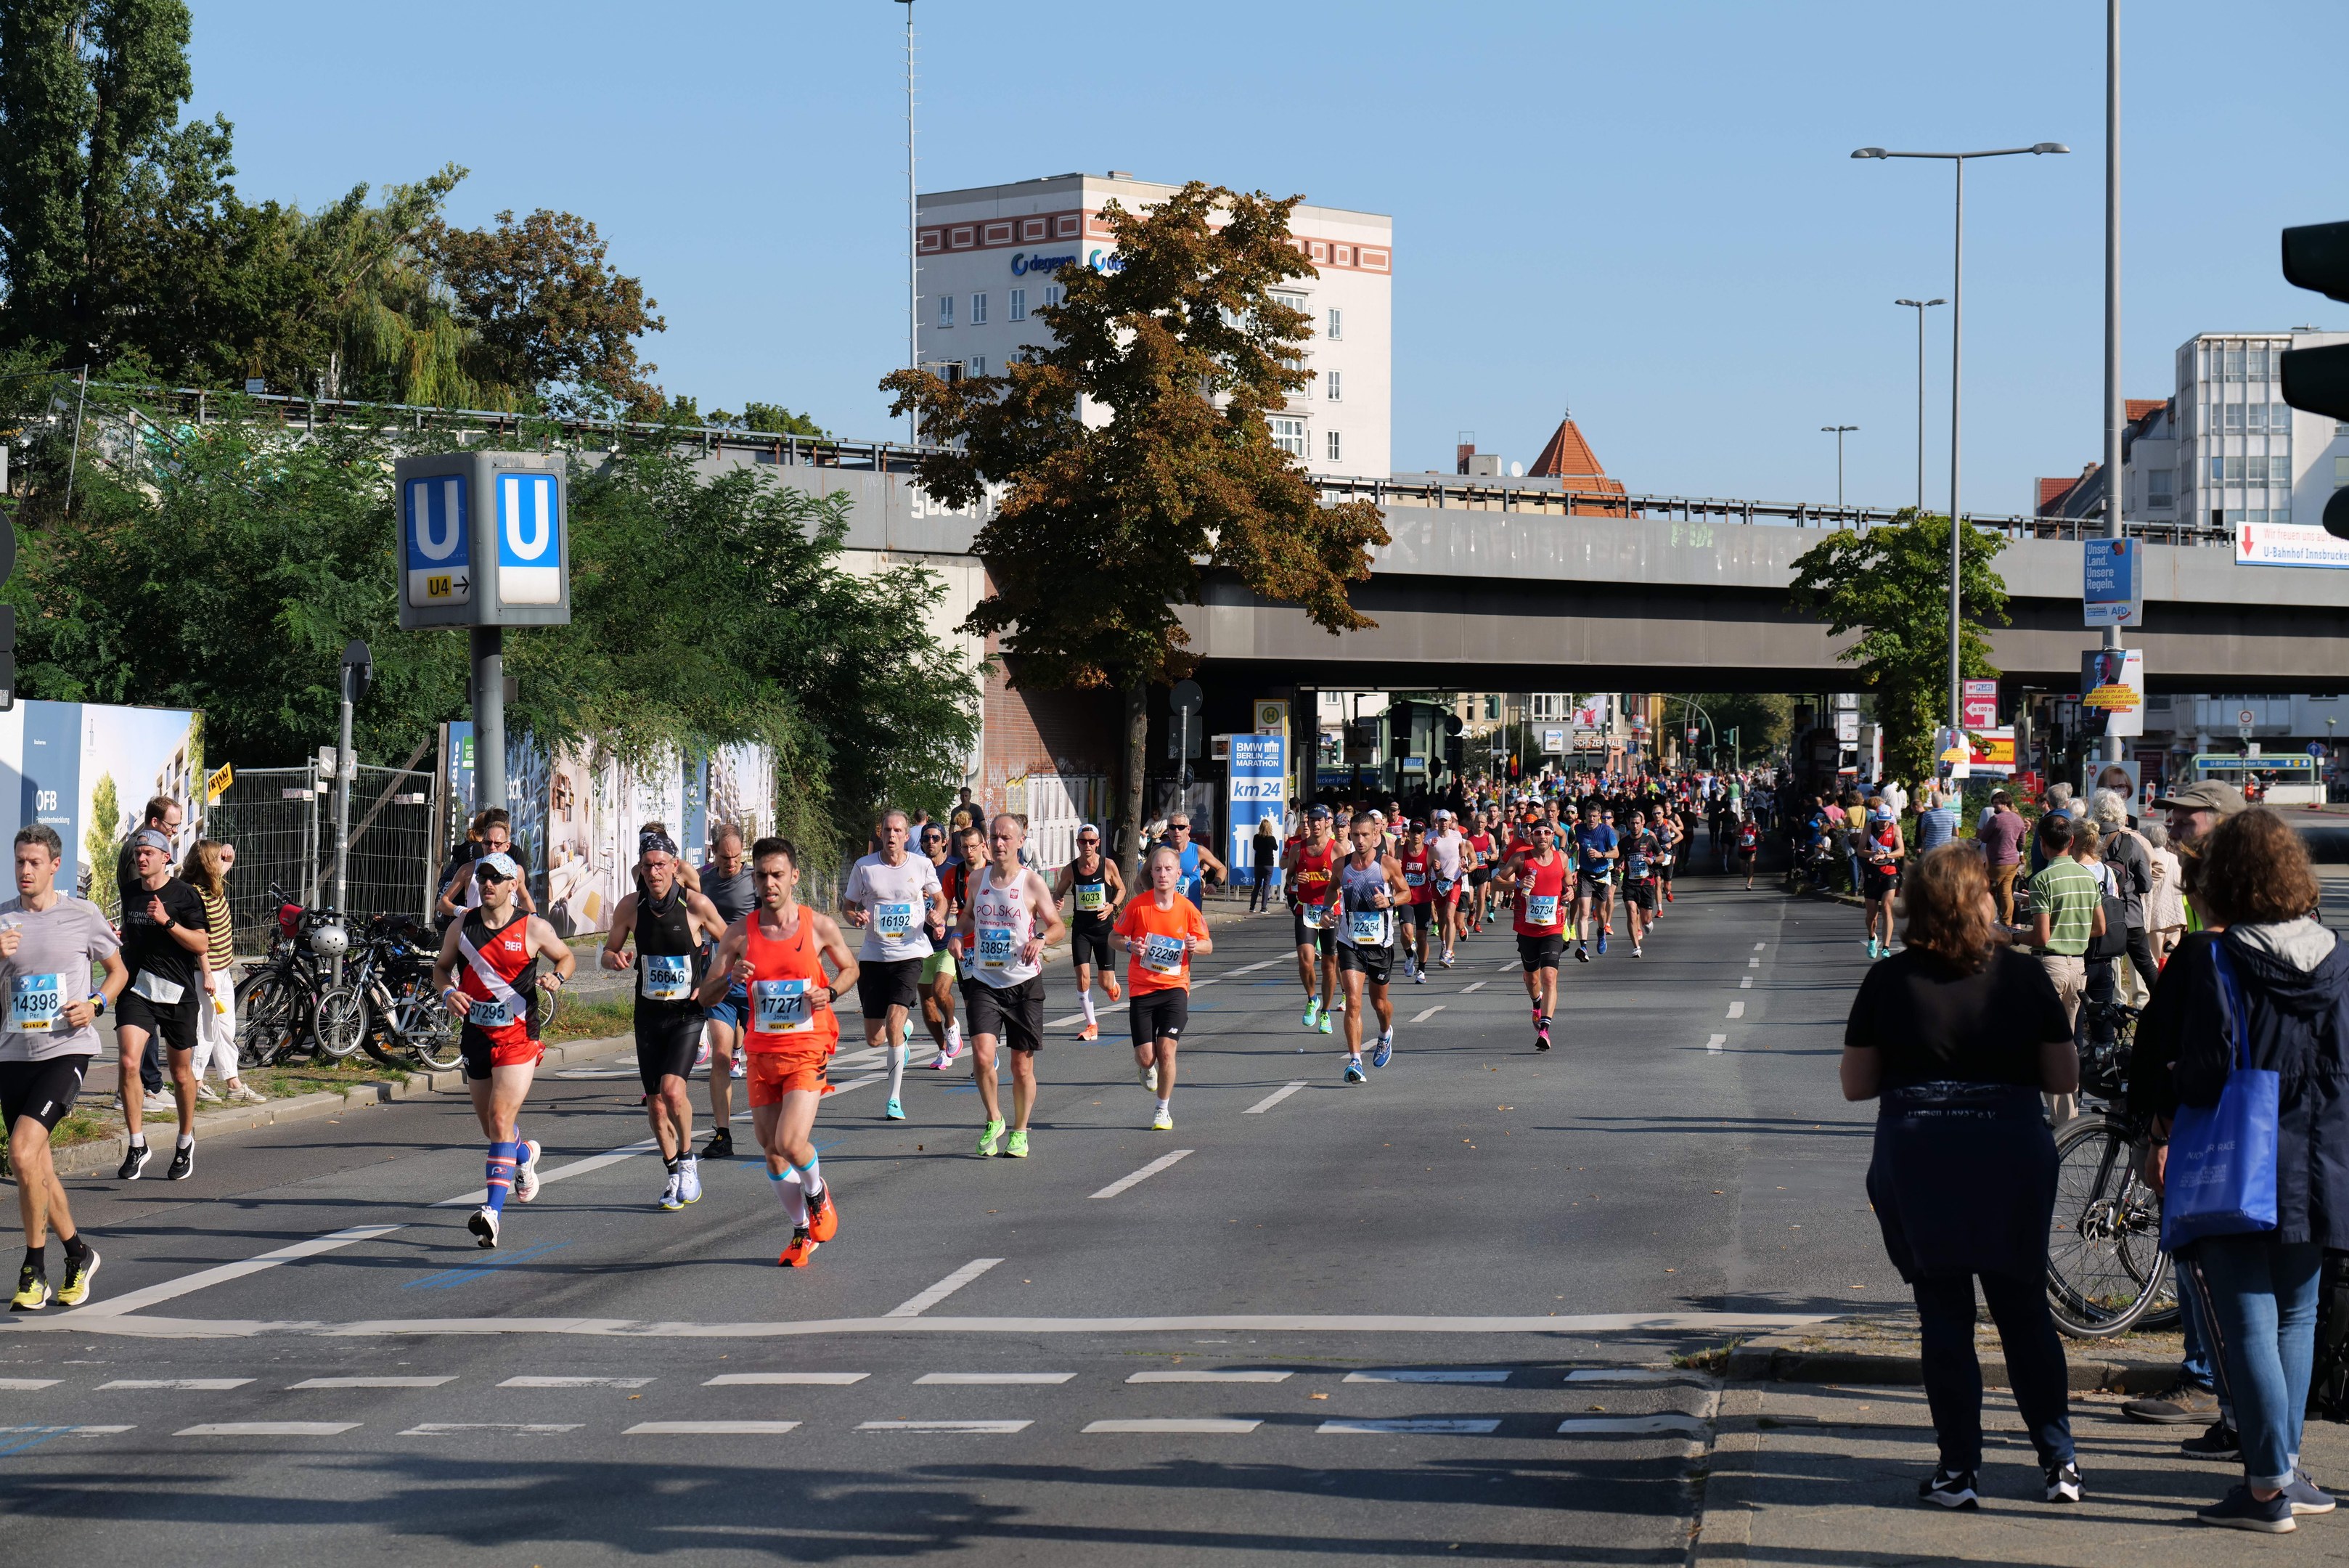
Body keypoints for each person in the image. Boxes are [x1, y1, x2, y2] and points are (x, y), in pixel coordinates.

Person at [1842, 841, 2082, 1510]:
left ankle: (1958, 1471)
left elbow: (1856, 1086)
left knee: (1944, 1317)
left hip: (1922, 1159)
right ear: (1978, 901)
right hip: (2009, 1153)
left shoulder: (1890, 981)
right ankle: (2059, 1462)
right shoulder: (2023, 977)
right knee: (2024, 1312)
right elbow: (2064, 1078)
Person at [2138, 809, 2349, 1532]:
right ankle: (2287, 1471)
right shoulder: (2337, 955)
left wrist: (2163, 1096)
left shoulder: (2213, 959)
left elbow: (2200, 1075)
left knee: (2247, 1321)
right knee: (2295, 1317)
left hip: (2240, 1158)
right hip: (2322, 1157)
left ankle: (2264, 1490)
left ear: (2222, 880)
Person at [697, 836, 857, 1268]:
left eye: (778, 875)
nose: (770, 883)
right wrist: (730, 976)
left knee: (790, 1141)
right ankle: (802, 1231)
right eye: (762, 876)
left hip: (807, 1048)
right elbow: (706, 995)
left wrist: (831, 991)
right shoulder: (739, 933)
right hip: (761, 1051)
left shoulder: (817, 926)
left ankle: (818, 1193)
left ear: (794, 878)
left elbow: (850, 968)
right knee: (770, 1150)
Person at [3, 824, 127, 1310]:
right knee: (35, 1164)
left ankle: (33, 1269)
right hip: (13, 1054)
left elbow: (119, 971)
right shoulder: (2, 921)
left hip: (67, 1051)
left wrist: (95, 1004)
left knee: (21, 1150)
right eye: (19, 862)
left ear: (55, 866)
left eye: (34, 862)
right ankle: (78, 1253)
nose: (25, 871)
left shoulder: (82, 916)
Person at [431, 851, 573, 1248]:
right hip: (476, 1034)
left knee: (499, 1115)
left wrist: (557, 977)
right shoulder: (462, 925)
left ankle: (492, 1212)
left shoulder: (532, 927)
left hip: (518, 1038)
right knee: (492, 1128)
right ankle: (523, 1153)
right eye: (483, 878)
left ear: (514, 885)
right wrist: (448, 993)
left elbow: (565, 956)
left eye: (497, 878)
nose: (488, 884)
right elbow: (441, 969)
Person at [601, 831, 728, 1210]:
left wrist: (709, 982)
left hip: (688, 1013)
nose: (654, 872)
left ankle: (688, 1163)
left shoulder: (697, 906)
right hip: (648, 1014)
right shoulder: (630, 907)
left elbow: (733, 945)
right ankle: (673, 1173)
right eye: (648, 866)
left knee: (674, 1092)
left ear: (675, 867)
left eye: (661, 865)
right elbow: (608, 951)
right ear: (640, 870)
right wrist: (616, 959)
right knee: (656, 1105)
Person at [960, 814, 1066, 1159]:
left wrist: (1041, 939)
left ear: (1021, 842)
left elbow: (1057, 927)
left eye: (1006, 838)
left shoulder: (1032, 883)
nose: (999, 843)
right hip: (984, 982)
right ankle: (994, 1118)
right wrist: (958, 935)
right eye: (994, 837)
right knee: (981, 1056)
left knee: (1021, 1065)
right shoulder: (977, 879)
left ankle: (1020, 1130)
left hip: (1023, 984)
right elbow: (968, 915)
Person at [113, 828, 211, 1181]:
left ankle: (185, 1140)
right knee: (127, 1061)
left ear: (165, 857)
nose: (141, 858)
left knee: (181, 1074)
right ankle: (137, 1143)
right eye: (138, 853)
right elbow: (130, 935)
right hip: (137, 989)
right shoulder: (129, 892)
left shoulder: (185, 895)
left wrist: (167, 922)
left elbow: (201, 944)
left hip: (177, 993)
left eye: (148, 853)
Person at [839, 809, 946, 1122]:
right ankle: (905, 1031)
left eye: (899, 830)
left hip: (910, 953)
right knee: (875, 1038)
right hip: (874, 955)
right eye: (888, 830)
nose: (893, 835)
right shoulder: (864, 867)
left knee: (894, 1025)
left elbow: (939, 900)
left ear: (906, 836)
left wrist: (937, 915)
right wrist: (854, 917)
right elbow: (847, 906)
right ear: (881, 833)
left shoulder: (921, 865)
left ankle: (894, 1099)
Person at [1114, 845, 1212, 1131]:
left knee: (1167, 1051)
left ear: (1178, 874)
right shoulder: (1138, 906)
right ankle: (1145, 1068)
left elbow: (1207, 944)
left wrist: (1197, 945)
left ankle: (1162, 1109)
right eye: (1157, 869)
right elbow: (1114, 937)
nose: (1162, 874)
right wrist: (1131, 945)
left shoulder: (1188, 909)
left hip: (1175, 987)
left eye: (1168, 869)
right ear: (1151, 873)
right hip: (1142, 989)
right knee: (1147, 1056)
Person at [2019, 814, 2103, 1127]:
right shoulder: (2087, 877)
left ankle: (2061, 1119)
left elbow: (2040, 936)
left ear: (2041, 844)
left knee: (2045, 1045)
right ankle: (2069, 1114)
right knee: (2066, 1043)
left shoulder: (2041, 880)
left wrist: (2013, 935)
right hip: (2078, 967)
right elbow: (2100, 927)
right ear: (2071, 841)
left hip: (2050, 966)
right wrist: (2074, 930)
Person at [1321, 810, 1409, 1083]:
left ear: (1375, 836)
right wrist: (1326, 910)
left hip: (1380, 945)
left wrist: (1391, 901)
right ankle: (1355, 1060)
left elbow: (1407, 892)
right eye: (1355, 834)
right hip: (1350, 943)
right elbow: (1332, 889)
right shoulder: (1341, 865)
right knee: (1354, 1003)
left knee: (1379, 1004)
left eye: (1365, 835)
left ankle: (1385, 1033)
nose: (1360, 840)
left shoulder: (1388, 864)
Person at [179, 839, 264, 1107]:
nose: (223, 865)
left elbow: (226, 863)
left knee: (225, 1027)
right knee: (206, 1028)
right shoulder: (195, 895)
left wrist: (227, 851)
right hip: (206, 973)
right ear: (206, 864)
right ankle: (198, 1082)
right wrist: (207, 974)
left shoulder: (212, 886)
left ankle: (232, 1083)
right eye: (217, 860)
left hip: (223, 970)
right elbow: (198, 939)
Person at [697, 825, 757, 1159]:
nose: (731, 862)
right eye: (724, 856)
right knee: (720, 1057)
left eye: (736, 856)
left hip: (756, 982)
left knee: (764, 1058)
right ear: (714, 852)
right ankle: (723, 1134)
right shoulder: (704, 882)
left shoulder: (755, 880)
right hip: (720, 979)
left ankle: (779, 1126)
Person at [1494, 814, 1570, 1050]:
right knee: (1532, 979)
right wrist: (1517, 884)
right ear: (1532, 835)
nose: (1543, 837)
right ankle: (1536, 1002)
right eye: (1538, 833)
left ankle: (1545, 1029)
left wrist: (1570, 892)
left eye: (1547, 833)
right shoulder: (1521, 859)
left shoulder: (1562, 858)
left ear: (1552, 836)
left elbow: (1568, 882)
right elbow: (1496, 882)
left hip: (1553, 928)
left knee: (1549, 977)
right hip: (1527, 929)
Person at [1052, 824, 1124, 1042]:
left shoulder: (1108, 865)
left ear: (1098, 843)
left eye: (1092, 841)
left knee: (1105, 983)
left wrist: (1112, 905)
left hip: (1104, 931)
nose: (1088, 845)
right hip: (1082, 930)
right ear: (1077, 843)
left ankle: (1112, 985)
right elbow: (1058, 892)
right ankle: (1092, 1025)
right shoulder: (1071, 869)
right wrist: (1057, 900)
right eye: (1083, 841)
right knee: (1083, 979)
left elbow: (1121, 889)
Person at [2090, 789, 2158, 1006]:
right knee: (2146, 965)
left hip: (2095, 916)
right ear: (2121, 813)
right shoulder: (2131, 842)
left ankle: (2102, 1020)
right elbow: (2146, 884)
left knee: (2098, 968)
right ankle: (2166, 1007)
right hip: (2129, 916)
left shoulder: (2086, 842)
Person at [1284, 806, 1340, 1035]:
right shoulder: (1298, 849)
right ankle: (1312, 998)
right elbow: (1288, 878)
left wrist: (1333, 879)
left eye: (1319, 820)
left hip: (1330, 912)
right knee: (1305, 959)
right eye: (1312, 820)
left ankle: (1325, 1012)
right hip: (1306, 909)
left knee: (1329, 965)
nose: (1315, 824)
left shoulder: (1337, 849)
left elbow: (1347, 883)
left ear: (1328, 822)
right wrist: (1296, 877)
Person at [917, 822, 968, 1068]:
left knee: (940, 991)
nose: (930, 842)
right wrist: (917, 895)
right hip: (921, 943)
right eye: (926, 838)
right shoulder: (915, 869)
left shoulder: (957, 867)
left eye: (935, 838)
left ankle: (951, 1024)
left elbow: (973, 897)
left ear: (945, 841)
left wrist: (960, 905)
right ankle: (943, 1051)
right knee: (927, 1002)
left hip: (949, 942)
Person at [438, 809, 537, 919]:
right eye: (488, 843)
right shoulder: (468, 870)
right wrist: (463, 911)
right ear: (482, 844)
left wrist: (535, 918)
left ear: (507, 846)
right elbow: (442, 903)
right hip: (476, 931)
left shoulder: (516, 870)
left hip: (507, 932)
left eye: (498, 844)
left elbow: (524, 898)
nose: (492, 848)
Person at [1570, 804, 1617, 963]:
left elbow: (1616, 853)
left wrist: (1601, 854)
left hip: (1602, 876)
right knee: (1584, 912)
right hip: (1585, 875)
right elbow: (1578, 842)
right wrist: (1571, 851)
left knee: (1601, 913)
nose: (1591, 819)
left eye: (1594, 816)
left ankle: (1602, 931)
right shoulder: (1579, 828)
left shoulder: (1606, 831)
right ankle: (1583, 947)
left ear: (1600, 816)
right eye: (1589, 815)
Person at [2142, 820, 2187, 968]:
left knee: (2153, 962)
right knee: (2171, 962)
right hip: (2176, 917)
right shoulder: (2175, 859)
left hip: (2156, 919)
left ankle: (2156, 991)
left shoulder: (2149, 861)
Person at [1863, 803, 1905, 960]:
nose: (1884, 824)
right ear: (1877, 818)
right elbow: (1860, 850)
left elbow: (1901, 851)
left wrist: (1886, 855)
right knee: (1871, 915)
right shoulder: (1869, 828)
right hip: (1872, 872)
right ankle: (1872, 937)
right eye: (1881, 821)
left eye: (1887, 821)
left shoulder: (1895, 829)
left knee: (1887, 908)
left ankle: (1886, 948)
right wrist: (1874, 853)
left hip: (1890, 872)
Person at [1978, 791, 2027, 926]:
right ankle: (2007, 923)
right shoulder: (2018, 819)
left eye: (1996, 803)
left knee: (1984, 890)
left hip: (1998, 862)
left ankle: (1983, 921)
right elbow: (2022, 841)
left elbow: (1984, 838)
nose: (1994, 806)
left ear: (2005, 804)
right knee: (2006, 893)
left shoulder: (1996, 819)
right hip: (2013, 862)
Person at [1426, 809, 1468, 967]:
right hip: (1436, 881)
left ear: (1451, 822)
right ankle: (1444, 946)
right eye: (1441, 820)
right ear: (1436, 822)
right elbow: (1425, 859)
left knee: (1450, 916)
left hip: (1454, 880)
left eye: (1446, 820)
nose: (1443, 823)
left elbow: (1461, 846)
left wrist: (1463, 858)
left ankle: (1449, 952)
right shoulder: (1430, 839)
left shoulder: (1456, 835)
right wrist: (1433, 866)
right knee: (1442, 917)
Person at [1161, 814, 1225, 910]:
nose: (1177, 831)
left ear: (1188, 829)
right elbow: (1143, 876)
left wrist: (1215, 884)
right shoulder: (1159, 851)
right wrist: (1152, 894)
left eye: (1181, 827)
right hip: (1167, 910)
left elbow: (1221, 868)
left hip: (1191, 910)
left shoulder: (1198, 850)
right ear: (1168, 829)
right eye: (1173, 827)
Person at [1396, 819, 1433, 982]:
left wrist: (1438, 870)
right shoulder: (1400, 850)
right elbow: (1393, 872)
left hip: (1424, 898)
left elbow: (1439, 876)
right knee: (1406, 933)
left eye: (1419, 832)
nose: (1416, 835)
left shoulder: (1430, 852)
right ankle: (1410, 955)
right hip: (1406, 897)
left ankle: (1422, 970)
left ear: (1424, 835)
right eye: (1413, 832)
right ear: (1409, 834)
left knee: (1421, 937)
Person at [1619, 809, 1659, 958]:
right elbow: (1619, 856)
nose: (1635, 826)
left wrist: (1653, 860)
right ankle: (1636, 947)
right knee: (1631, 910)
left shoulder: (1649, 840)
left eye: (1637, 823)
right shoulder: (1624, 842)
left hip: (1646, 884)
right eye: (1632, 823)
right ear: (1628, 824)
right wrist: (1619, 864)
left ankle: (1647, 923)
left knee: (1646, 919)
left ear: (1642, 824)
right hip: (1630, 884)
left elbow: (1661, 856)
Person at [1249, 814, 1280, 913]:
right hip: (1269, 864)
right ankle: (1263, 908)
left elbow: (1255, 848)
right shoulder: (1271, 839)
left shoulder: (1256, 837)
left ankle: (1252, 907)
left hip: (1258, 864)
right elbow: (1276, 848)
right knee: (1266, 886)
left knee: (1257, 885)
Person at [1913, 786, 1960, 853]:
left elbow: (1923, 833)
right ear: (1942, 801)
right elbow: (1957, 833)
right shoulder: (1951, 814)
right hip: (1947, 850)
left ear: (1932, 802)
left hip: (1931, 851)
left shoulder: (1927, 816)